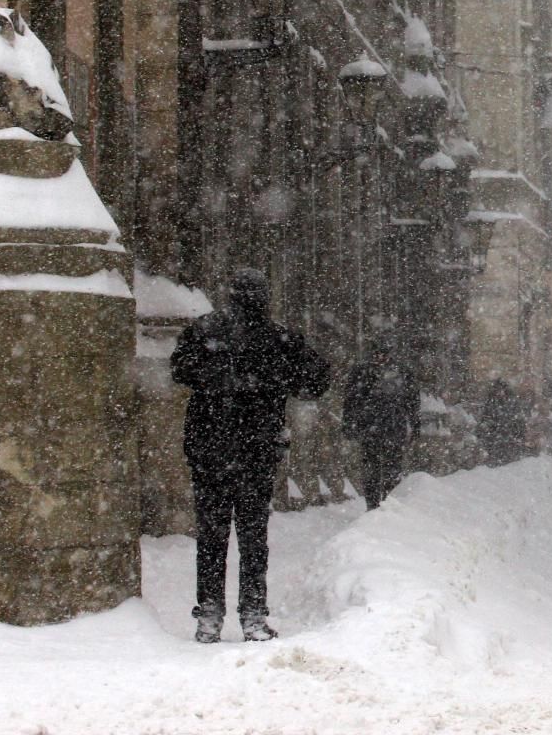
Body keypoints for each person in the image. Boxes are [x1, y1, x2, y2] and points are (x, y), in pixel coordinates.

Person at [170, 268, 330, 643]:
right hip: (254, 451)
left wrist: (223, 379)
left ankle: (211, 612)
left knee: (213, 534)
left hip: (213, 448)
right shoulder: (277, 338)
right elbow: (317, 379)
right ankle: (252, 612)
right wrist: (272, 379)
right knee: (253, 535)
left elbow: (181, 369)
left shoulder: (207, 331)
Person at [343, 338, 420, 509]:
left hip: (391, 425)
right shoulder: (362, 371)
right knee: (372, 470)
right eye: (377, 353)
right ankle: (373, 505)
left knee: (391, 469)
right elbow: (351, 399)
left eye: (383, 354)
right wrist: (349, 423)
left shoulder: (401, 371)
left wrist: (414, 424)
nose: (380, 357)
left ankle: (387, 503)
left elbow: (412, 400)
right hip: (371, 427)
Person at [477, 378, 530, 467]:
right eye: (496, 390)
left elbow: (517, 417)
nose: (499, 392)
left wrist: (513, 427)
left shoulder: (512, 401)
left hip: (509, 430)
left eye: (500, 389)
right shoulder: (490, 402)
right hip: (495, 431)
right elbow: (486, 417)